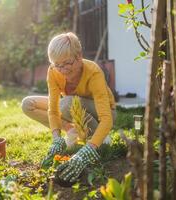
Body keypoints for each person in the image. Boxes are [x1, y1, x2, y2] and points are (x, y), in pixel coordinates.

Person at [21, 32, 116, 183]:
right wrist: (56, 137)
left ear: (79, 56)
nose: (62, 70)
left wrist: (90, 149)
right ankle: (72, 130)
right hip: (72, 107)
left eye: (67, 63)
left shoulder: (94, 72)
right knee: (28, 104)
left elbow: (107, 119)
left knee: (67, 103)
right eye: (57, 65)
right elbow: (53, 109)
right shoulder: (53, 71)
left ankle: (98, 137)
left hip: (102, 113)